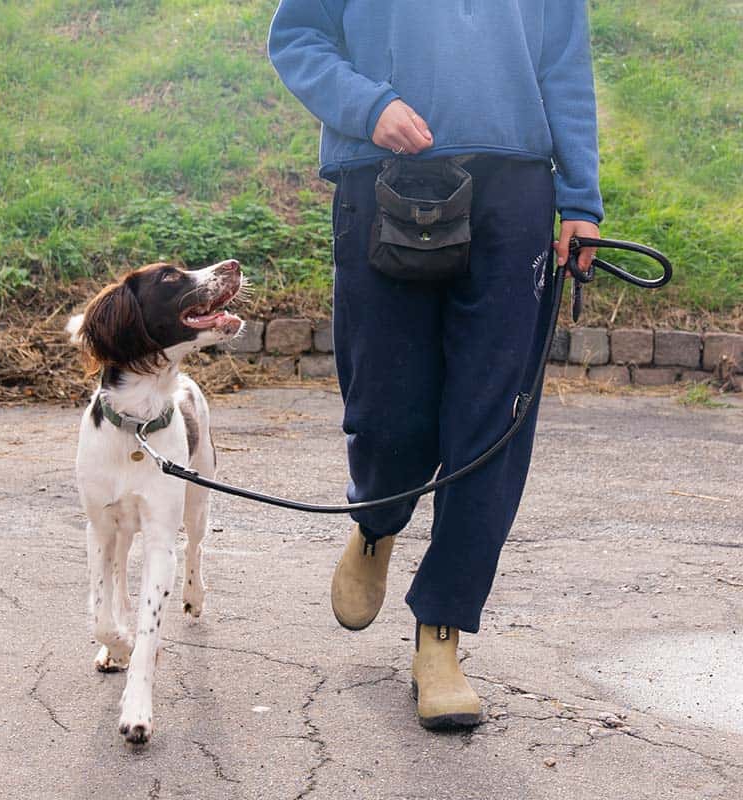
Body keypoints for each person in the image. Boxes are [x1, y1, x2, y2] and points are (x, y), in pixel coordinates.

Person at [268, 1, 602, 730]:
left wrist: (580, 197)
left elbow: (564, 64)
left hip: (514, 194)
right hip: (385, 175)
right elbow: (297, 38)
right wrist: (370, 105)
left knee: (490, 423)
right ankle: (378, 518)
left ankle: (441, 630)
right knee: (389, 411)